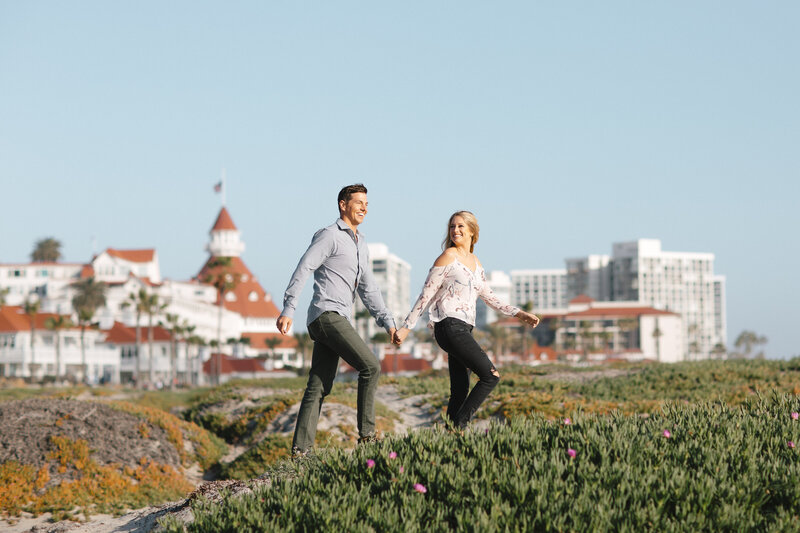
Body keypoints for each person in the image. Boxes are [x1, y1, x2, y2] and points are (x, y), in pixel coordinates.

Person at [277, 184, 397, 454]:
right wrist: (289, 308)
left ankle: (301, 451)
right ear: (343, 205)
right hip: (326, 315)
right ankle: (367, 437)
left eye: (367, 203)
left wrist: (388, 322)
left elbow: (369, 289)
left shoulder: (361, 244)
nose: (364, 207)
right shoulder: (329, 236)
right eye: (358, 202)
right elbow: (304, 266)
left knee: (318, 385)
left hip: (336, 317)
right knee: (371, 366)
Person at [393, 211, 539, 429]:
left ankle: (450, 437)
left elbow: (489, 296)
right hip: (449, 326)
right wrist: (407, 327)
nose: (455, 230)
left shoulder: (475, 262)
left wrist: (518, 313)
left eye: (461, 226)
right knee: (491, 376)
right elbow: (426, 294)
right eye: (452, 226)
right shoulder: (448, 257)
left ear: (472, 231)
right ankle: (460, 426)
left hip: (464, 328)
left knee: (460, 390)